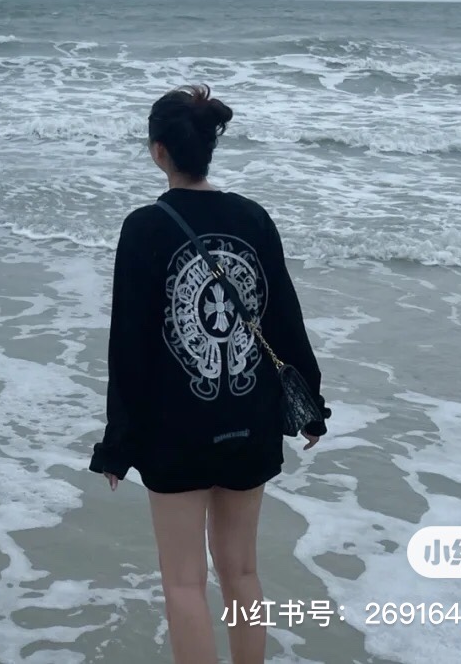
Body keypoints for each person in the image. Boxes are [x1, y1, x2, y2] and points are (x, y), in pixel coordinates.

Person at [89, 84, 330, 664]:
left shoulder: (144, 228)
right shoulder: (253, 218)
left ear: (158, 152)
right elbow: (286, 319)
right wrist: (311, 407)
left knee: (184, 582)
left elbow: (129, 346)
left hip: (176, 431)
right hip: (249, 420)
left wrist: (119, 444)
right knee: (242, 570)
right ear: (209, 148)